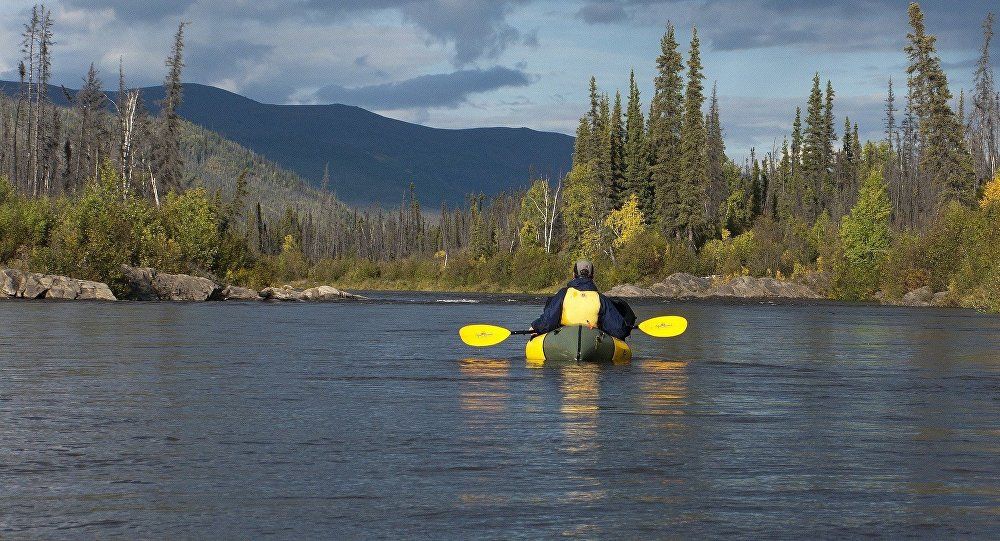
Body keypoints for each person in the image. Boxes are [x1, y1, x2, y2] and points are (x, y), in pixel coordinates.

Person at [530, 259, 634, 339]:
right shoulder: (601, 298)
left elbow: (548, 322)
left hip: (565, 338)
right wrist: (627, 329)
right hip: (592, 338)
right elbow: (618, 330)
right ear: (592, 276)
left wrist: (535, 327)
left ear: (573, 275)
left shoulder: (563, 294)